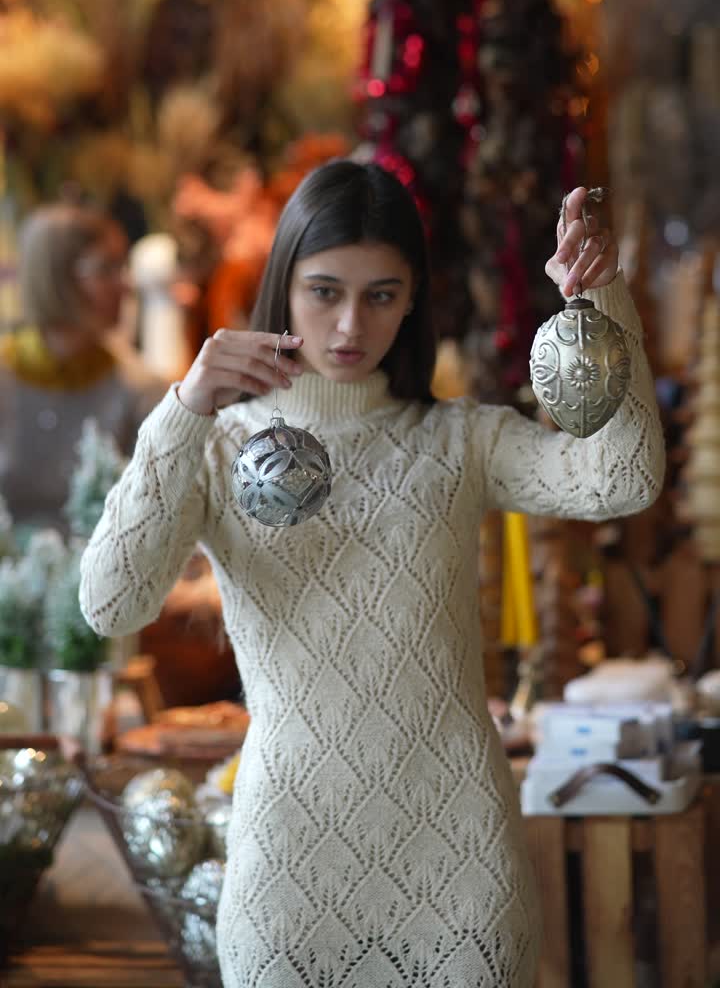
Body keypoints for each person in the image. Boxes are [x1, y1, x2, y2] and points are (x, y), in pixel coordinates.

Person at [79, 163, 665, 988]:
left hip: (461, 868)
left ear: (414, 299)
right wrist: (182, 409)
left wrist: (601, 304)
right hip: (288, 873)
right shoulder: (213, 441)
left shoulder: (458, 441)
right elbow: (110, 603)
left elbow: (622, 479)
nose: (351, 323)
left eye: (382, 295)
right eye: (325, 291)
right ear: (283, 285)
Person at [0, 203, 162, 530]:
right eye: (107, 269)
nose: (126, 285)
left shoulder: (139, 389)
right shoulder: (6, 378)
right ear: (55, 277)